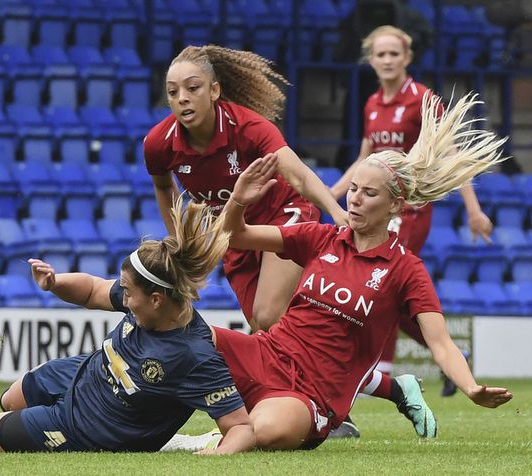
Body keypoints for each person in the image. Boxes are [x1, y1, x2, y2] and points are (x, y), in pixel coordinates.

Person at [208, 91, 512, 450]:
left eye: (369, 193)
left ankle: (213, 442)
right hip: (267, 356)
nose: (354, 199)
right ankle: (144, 430)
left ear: (395, 205)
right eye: (353, 189)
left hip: (315, 392)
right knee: (185, 338)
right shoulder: (320, 237)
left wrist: (470, 387)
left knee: (263, 430)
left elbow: (440, 343)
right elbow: (237, 236)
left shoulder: (406, 269)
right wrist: (240, 199)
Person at [0, 197, 255, 454]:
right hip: (83, 374)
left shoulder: (195, 356)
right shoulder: (148, 302)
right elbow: (92, 290)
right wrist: (55, 282)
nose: (123, 298)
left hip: (84, 427)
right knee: (10, 399)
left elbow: (240, 427)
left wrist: (216, 456)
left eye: (128, 292)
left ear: (156, 299)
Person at [329, 25, 494, 398]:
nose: (387, 60)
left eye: (394, 54)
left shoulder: (423, 98)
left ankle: (380, 374)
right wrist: (328, 195)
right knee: (392, 296)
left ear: (407, 58)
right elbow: (363, 160)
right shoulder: (372, 104)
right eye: (380, 54)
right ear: (371, 60)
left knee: (382, 284)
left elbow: (451, 155)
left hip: (411, 208)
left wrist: (473, 209)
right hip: (377, 205)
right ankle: (452, 356)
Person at [143, 44, 348, 332]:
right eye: (173, 92)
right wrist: (179, 240)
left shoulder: (250, 128)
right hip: (234, 232)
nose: (183, 99)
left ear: (214, 91)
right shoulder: (157, 143)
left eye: (192, 88)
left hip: (283, 215)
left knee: (267, 317)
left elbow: (299, 176)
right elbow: (164, 187)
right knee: (262, 325)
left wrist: (337, 212)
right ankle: (365, 369)